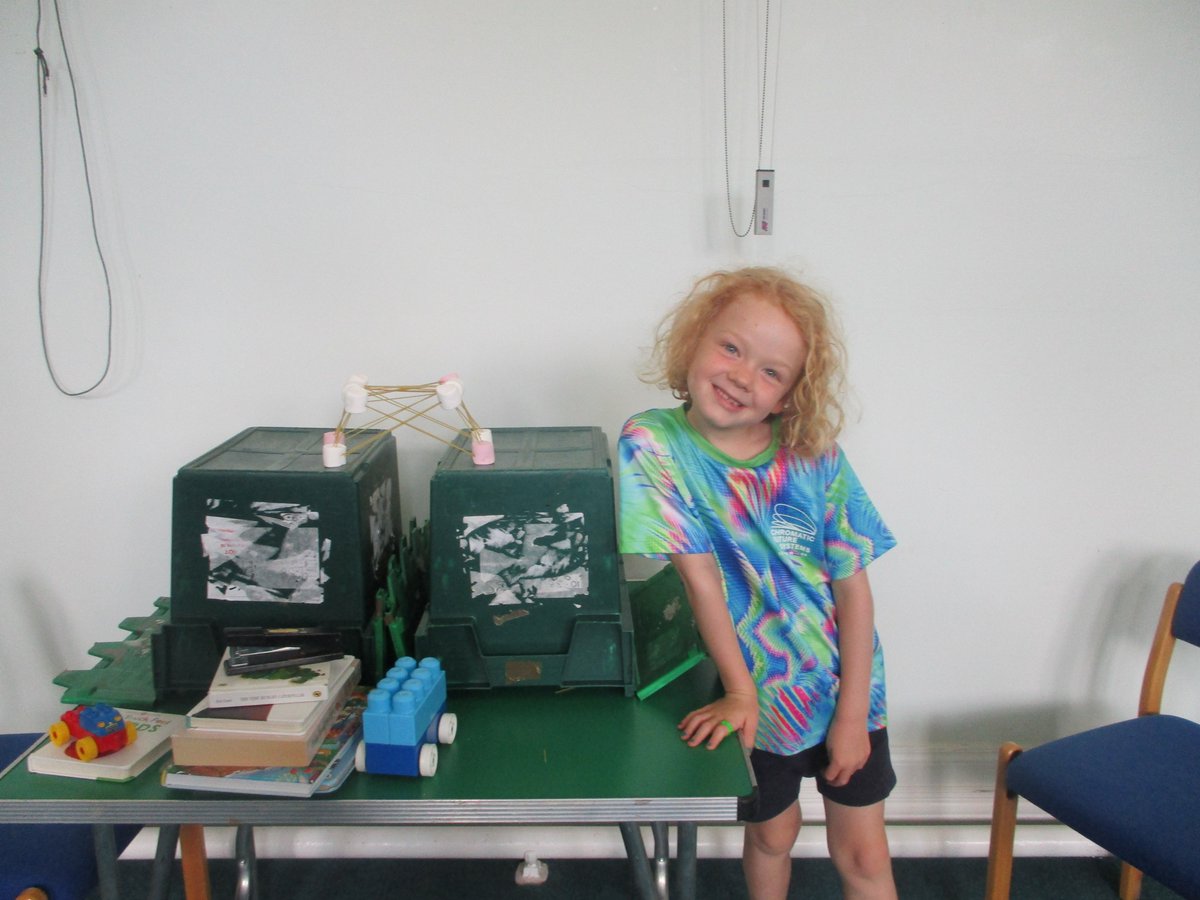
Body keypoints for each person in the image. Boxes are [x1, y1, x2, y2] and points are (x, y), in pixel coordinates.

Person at [618, 267, 898, 900]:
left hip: (844, 682)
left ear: (791, 394)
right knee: (771, 836)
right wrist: (743, 694)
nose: (743, 376)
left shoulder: (815, 455)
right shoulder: (652, 441)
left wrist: (852, 714)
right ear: (693, 341)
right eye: (731, 348)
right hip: (757, 687)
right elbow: (701, 580)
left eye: (771, 371)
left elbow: (853, 591)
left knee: (863, 852)